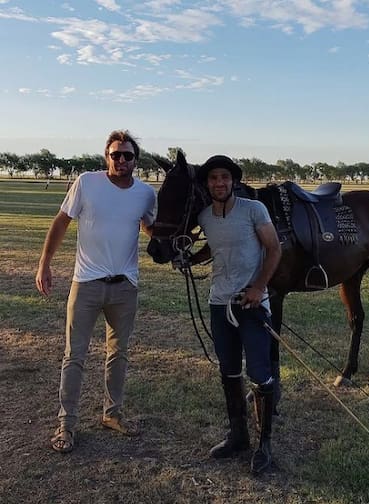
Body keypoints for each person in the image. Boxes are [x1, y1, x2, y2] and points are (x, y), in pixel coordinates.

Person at [35, 130, 156, 453]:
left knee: (118, 354)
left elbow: (149, 227)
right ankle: (66, 425)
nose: (121, 160)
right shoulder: (87, 182)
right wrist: (44, 263)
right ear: (107, 156)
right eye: (115, 154)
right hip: (86, 284)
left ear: (135, 160)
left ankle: (112, 414)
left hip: (124, 287)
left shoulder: (146, 193)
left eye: (127, 155)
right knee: (74, 355)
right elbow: (61, 222)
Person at [185, 155, 281, 474]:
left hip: (251, 305)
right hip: (218, 303)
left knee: (260, 372)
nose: (219, 183)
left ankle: (264, 444)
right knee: (228, 371)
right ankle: (238, 436)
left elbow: (274, 248)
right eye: (213, 178)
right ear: (207, 183)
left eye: (225, 177)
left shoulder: (254, 210)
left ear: (233, 181)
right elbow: (214, 246)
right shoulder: (204, 216)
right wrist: (191, 259)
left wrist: (258, 287)